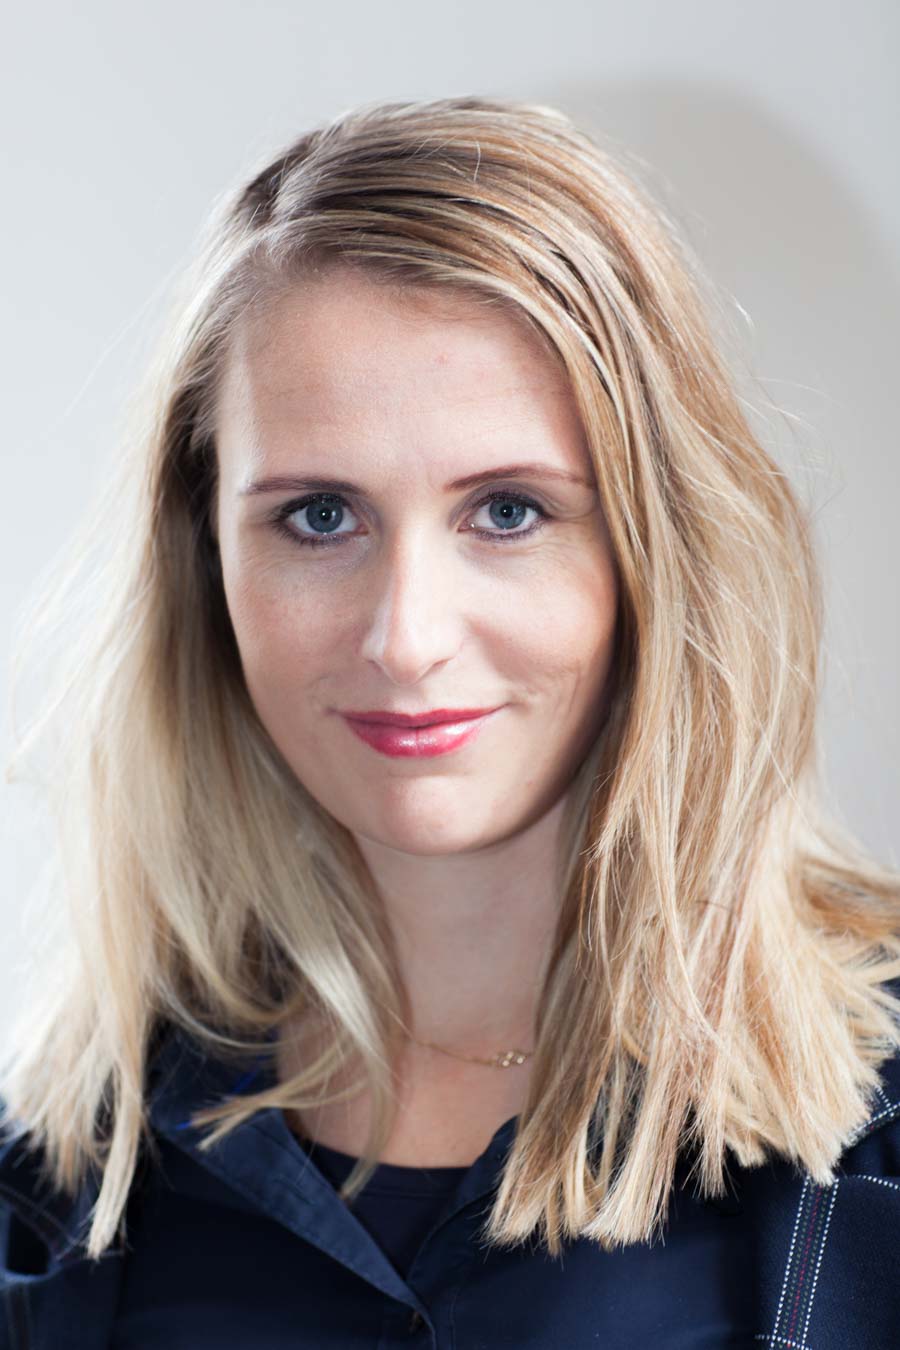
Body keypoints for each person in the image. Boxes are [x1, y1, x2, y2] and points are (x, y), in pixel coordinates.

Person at [1, 94, 899, 1348]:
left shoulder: (872, 1132)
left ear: (658, 546)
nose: (406, 637)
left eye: (508, 511)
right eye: (320, 516)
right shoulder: (62, 1182)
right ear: (205, 557)